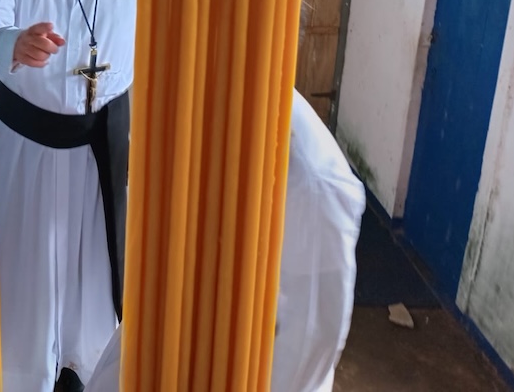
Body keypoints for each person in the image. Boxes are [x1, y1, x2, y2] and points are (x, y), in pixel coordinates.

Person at [0, 0, 140, 390]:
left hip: (106, 146)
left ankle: (85, 369)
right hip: (25, 149)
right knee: (27, 272)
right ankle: (26, 372)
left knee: (94, 273)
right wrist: (12, 42)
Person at [85, 89, 366, 392]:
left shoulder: (311, 185)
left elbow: (310, 336)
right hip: (184, 319)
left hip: (252, 364)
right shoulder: (206, 97)